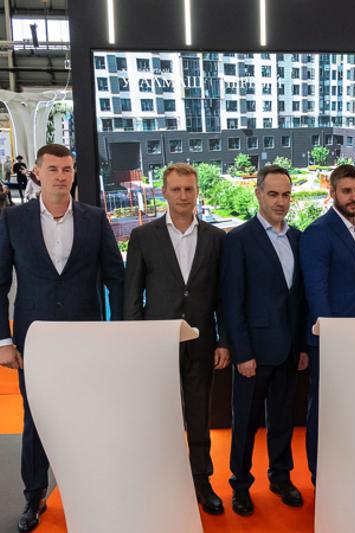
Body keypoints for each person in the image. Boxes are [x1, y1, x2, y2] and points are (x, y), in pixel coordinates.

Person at [0, 144, 124, 532]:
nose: (61, 176)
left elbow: (116, 277)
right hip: (35, 343)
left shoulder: (95, 219)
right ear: (37, 173)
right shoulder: (14, 220)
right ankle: (34, 498)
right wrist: (1, 340)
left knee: (87, 419)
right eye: (53, 169)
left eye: (67, 169)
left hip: (86, 340)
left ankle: (89, 493)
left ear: (74, 173)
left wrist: (120, 332)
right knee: (36, 421)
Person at [123, 162, 230, 515]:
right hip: (157, 344)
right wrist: (138, 342)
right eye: (176, 189)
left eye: (189, 189)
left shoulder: (217, 238)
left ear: (197, 192)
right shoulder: (143, 237)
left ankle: (202, 481)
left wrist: (224, 341)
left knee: (199, 415)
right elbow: (131, 295)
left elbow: (224, 297)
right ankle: (161, 482)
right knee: (159, 417)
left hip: (202, 341)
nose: (183, 196)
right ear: (164, 192)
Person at [220, 165, 308, 516]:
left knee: (283, 419)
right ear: (258, 194)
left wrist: (302, 347)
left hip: (289, 350)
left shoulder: (299, 238)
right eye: (273, 194)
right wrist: (242, 352)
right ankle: (240, 485)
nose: (280, 201)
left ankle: (281, 477)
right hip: (253, 352)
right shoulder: (239, 239)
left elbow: (299, 299)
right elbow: (232, 301)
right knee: (245, 422)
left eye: (286, 195)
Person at [300, 164, 355, 483]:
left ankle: (348, 471)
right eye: (346, 191)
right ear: (332, 193)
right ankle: (320, 476)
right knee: (324, 410)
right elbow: (316, 290)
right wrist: (333, 338)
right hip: (331, 341)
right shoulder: (319, 231)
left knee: (352, 410)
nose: (353, 197)